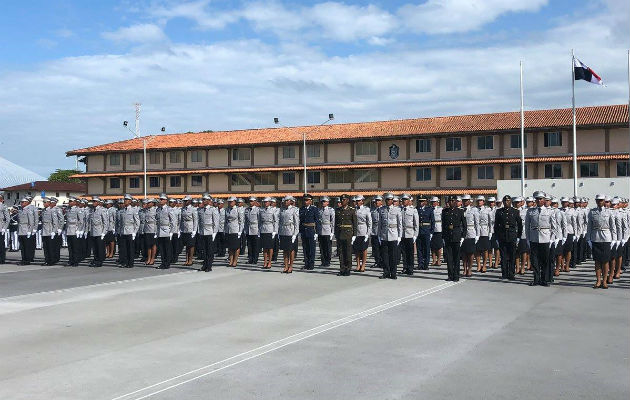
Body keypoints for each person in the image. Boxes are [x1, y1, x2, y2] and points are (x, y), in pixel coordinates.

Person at [525, 191, 555, 286]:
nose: (539, 200)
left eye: (541, 199)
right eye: (537, 199)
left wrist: (551, 239)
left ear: (544, 200)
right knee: (534, 260)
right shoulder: (530, 211)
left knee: (544, 260)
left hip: (545, 238)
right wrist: (528, 239)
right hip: (534, 238)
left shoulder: (549, 211)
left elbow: (554, 227)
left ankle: (544, 279)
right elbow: (527, 226)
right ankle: (536, 279)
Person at [586, 194, 616, 289]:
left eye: (601, 200)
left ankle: (604, 281)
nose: (600, 202)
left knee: (606, 260)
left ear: (604, 201)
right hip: (596, 237)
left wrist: (614, 239)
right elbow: (589, 226)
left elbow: (613, 226)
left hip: (606, 237)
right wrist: (588, 238)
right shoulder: (592, 212)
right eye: (598, 200)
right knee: (597, 261)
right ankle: (598, 280)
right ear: (596, 201)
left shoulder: (609, 212)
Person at [493, 195, 522, 280]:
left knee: (512, 255)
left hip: (512, 236)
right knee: (503, 256)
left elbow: (520, 225)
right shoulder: (499, 211)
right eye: (505, 201)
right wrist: (497, 237)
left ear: (511, 202)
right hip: (502, 236)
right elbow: (496, 226)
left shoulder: (515, 211)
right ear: (503, 202)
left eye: (508, 201)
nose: (506, 202)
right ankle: (504, 274)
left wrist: (518, 237)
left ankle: (511, 274)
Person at [377, 193, 402, 279]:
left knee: (393, 256)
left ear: (392, 200)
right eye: (387, 200)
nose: (388, 201)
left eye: (390, 200)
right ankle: (386, 272)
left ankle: (393, 273)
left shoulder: (397, 210)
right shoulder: (382, 210)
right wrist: (379, 236)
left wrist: (399, 236)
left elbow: (400, 224)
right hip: (384, 235)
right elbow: (380, 224)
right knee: (385, 256)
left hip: (394, 235)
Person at [442, 195, 466, 281]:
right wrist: (443, 237)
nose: (451, 202)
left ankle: (456, 275)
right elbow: (443, 225)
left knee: (456, 257)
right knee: (449, 258)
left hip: (456, 236)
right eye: (450, 201)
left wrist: (463, 236)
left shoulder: (460, 211)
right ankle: (450, 275)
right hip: (448, 236)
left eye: (453, 201)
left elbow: (464, 225)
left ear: (456, 202)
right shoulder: (444, 211)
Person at [334, 194, 357, 276]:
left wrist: (354, 234)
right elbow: (336, 223)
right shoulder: (337, 210)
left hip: (348, 233)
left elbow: (355, 223)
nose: (342, 201)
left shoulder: (352, 210)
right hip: (340, 233)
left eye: (344, 200)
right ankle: (342, 268)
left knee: (348, 252)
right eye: (341, 200)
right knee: (340, 252)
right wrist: (335, 233)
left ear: (347, 200)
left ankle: (348, 269)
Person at [118, 194, 140, 268]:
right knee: (124, 248)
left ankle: (130, 263)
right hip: (123, 231)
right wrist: (120, 231)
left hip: (130, 231)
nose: (125, 201)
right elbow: (121, 222)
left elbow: (137, 222)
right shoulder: (122, 210)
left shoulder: (133, 210)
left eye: (127, 200)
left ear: (130, 201)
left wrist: (134, 232)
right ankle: (124, 262)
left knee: (130, 248)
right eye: (125, 199)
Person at [299, 194, 320, 270]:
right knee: (305, 248)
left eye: (307, 200)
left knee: (312, 248)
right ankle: (306, 263)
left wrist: (317, 232)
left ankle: (311, 264)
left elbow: (317, 220)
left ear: (311, 201)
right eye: (304, 200)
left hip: (311, 230)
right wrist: (300, 230)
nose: (305, 201)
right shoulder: (301, 209)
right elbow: (301, 221)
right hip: (304, 230)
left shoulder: (314, 209)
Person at [279, 196, 299, 273]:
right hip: (283, 231)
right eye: (285, 200)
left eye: (287, 200)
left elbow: (296, 223)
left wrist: (295, 234)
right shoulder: (282, 209)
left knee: (291, 250)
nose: (286, 202)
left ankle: (291, 266)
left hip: (291, 231)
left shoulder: (295, 210)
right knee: (284, 250)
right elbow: (280, 221)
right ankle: (286, 266)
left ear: (291, 201)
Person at [199, 194, 219, 271]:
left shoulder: (213, 209)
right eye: (203, 199)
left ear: (209, 201)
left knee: (209, 250)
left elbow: (216, 222)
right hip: (202, 232)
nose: (203, 201)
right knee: (203, 249)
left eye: (205, 199)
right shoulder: (200, 210)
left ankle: (209, 266)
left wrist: (214, 233)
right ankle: (204, 264)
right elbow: (199, 221)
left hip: (210, 232)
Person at [400, 194, 419, 275]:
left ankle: (410, 268)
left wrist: (415, 235)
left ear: (409, 201)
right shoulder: (400, 210)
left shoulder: (413, 210)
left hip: (410, 233)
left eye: (406, 200)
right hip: (402, 234)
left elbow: (416, 224)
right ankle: (405, 267)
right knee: (403, 252)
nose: (404, 201)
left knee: (410, 252)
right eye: (403, 200)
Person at [461, 194, 480, 277]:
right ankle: (464, 268)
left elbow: (477, 223)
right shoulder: (460, 210)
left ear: (469, 201)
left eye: (466, 200)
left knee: (471, 253)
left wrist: (478, 235)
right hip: (462, 234)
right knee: (463, 253)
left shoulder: (474, 210)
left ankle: (470, 269)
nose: (465, 202)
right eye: (463, 200)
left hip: (471, 232)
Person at [156, 194, 175, 269]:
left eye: (162, 199)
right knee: (161, 248)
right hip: (160, 231)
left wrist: (171, 232)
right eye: (160, 199)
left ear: (166, 201)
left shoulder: (169, 209)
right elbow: (156, 220)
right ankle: (163, 262)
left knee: (167, 248)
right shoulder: (158, 209)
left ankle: (167, 263)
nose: (160, 201)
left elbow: (173, 221)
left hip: (167, 230)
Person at [352, 195, 371, 272]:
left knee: (364, 249)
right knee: (356, 249)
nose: (357, 202)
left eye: (359, 201)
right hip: (356, 231)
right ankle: (358, 265)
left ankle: (363, 265)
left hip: (364, 230)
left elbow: (369, 222)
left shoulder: (366, 210)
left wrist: (368, 233)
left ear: (362, 201)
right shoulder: (354, 209)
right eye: (356, 201)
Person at [88, 197, 108, 267]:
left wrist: (103, 232)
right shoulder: (92, 210)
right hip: (93, 231)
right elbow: (90, 221)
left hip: (99, 231)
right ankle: (95, 259)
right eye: (93, 201)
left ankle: (99, 261)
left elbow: (105, 222)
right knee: (95, 247)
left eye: (95, 201)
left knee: (99, 247)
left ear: (98, 202)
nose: (93, 203)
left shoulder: (102, 210)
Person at [259, 197, 278, 269]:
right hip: (263, 229)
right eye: (264, 202)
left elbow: (275, 221)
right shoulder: (261, 210)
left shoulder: (273, 210)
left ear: (270, 202)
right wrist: (259, 230)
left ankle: (269, 262)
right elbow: (260, 221)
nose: (265, 203)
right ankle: (265, 261)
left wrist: (274, 231)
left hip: (270, 229)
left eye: (267, 202)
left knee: (270, 247)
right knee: (264, 247)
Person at [475, 196, 493, 273]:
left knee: (485, 250)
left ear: (483, 201)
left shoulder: (487, 210)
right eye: (478, 200)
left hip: (485, 231)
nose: (479, 202)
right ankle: (479, 264)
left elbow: (490, 222)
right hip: (476, 231)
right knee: (477, 250)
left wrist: (490, 232)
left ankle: (484, 265)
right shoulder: (474, 209)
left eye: (481, 200)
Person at [225, 196, 244, 268]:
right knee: (230, 247)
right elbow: (226, 220)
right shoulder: (227, 209)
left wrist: (240, 231)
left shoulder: (238, 210)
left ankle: (235, 261)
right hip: (229, 230)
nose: (230, 203)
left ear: (235, 202)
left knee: (236, 247)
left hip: (236, 229)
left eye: (231, 201)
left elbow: (241, 221)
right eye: (229, 202)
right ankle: (231, 260)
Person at [180, 196, 199, 266]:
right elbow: (181, 220)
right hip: (184, 229)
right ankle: (186, 260)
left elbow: (195, 220)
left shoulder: (193, 209)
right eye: (184, 201)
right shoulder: (183, 209)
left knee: (191, 245)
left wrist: (194, 230)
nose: (184, 202)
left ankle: (190, 260)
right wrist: (180, 229)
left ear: (189, 201)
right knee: (186, 246)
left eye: (186, 201)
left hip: (191, 228)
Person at [416, 196, 434, 270]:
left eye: (422, 201)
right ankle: (420, 263)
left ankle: (426, 264)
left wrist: (431, 232)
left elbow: (432, 221)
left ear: (426, 202)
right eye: (420, 201)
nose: (421, 203)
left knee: (426, 248)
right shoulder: (416, 209)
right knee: (419, 248)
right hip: (418, 230)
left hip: (426, 231)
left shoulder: (429, 209)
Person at [317, 196, 335, 268]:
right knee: (321, 247)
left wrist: (332, 232)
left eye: (324, 201)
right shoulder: (319, 210)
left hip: (327, 229)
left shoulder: (331, 210)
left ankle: (328, 261)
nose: (323, 203)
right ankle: (323, 261)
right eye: (322, 202)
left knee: (328, 247)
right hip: (320, 230)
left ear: (328, 202)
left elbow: (333, 221)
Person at [64, 197, 81, 267]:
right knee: (70, 247)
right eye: (69, 201)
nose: (69, 202)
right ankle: (70, 260)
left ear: (74, 202)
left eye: (71, 201)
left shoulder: (77, 209)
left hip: (74, 229)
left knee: (75, 247)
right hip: (68, 230)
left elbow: (81, 221)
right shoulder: (68, 209)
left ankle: (76, 261)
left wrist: (79, 230)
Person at [245, 197, 261, 265]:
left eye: (252, 201)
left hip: (255, 229)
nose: (250, 202)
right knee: (249, 245)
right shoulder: (247, 210)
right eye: (250, 201)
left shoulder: (258, 210)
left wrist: (259, 231)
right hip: (249, 229)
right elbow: (245, 221)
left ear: (255, 202)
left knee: (256, 245)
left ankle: (255, 259)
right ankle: (250, 258)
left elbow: (260, 221)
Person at [429, 196, 443, 266]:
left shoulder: (441, 209)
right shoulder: (429, 209)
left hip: (439, 228)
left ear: (438, 202)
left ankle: (439, 260)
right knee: (432, 246)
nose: (433, 203)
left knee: (439, 245)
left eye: (434, 202)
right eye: (432, 202)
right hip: (431, 228)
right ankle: (434, 260)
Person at [144, 198, 158, 266]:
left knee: (153, 244)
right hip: (147, 229)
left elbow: (157, 220)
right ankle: (149, 258)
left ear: (153, 203)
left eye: (149, 203)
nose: (148, 204)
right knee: (148, 245)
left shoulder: (156, 210)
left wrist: (156, 231)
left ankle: (153, 259)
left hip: (153, 228)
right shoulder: (146, 210)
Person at [370, 196, 382, 269]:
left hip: (382, 231)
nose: (377, 202)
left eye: (378, 201)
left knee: (382, 248)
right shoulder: (372, 210)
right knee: (375, 248)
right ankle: (377, 261)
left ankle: (382, 261)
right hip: (374, 231)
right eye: (376, 201)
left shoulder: (384, 209)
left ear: (381, 202)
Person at [0, 194, 8, 264]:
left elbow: (7, 219)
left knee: (1, 245)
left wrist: (4, 228)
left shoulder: (3, 206)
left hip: (0, 227)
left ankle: (2, 259)